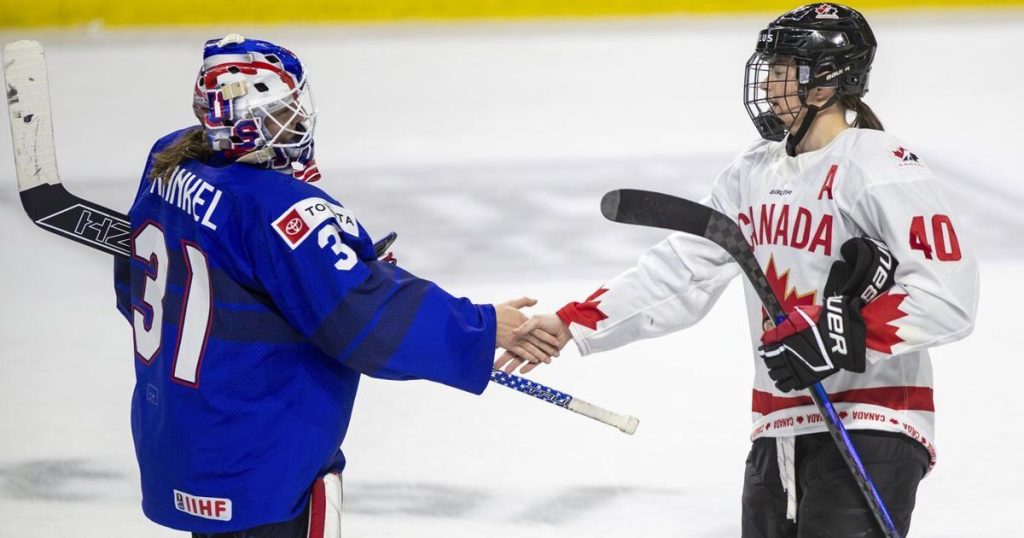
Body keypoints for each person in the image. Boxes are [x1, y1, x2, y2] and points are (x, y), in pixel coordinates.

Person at [499, 4, 979, 536]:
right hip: (779, 425)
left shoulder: (880, 165)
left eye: (783, 69)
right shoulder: (753, 170)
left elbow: (946, 295)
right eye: (769, 66)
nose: (770, 83)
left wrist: (840, 337)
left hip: (873, 418)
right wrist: (571, 323)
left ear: (827, 82)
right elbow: (682, 271)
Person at [113, 34, 553, 537]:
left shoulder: (167, 165)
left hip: (184, 438)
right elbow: (368, 322)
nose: (296, 123)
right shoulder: (280, 210)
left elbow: (134, 290)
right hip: (260, 454)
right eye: (281, 113)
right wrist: (483, 326)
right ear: (252, 123)